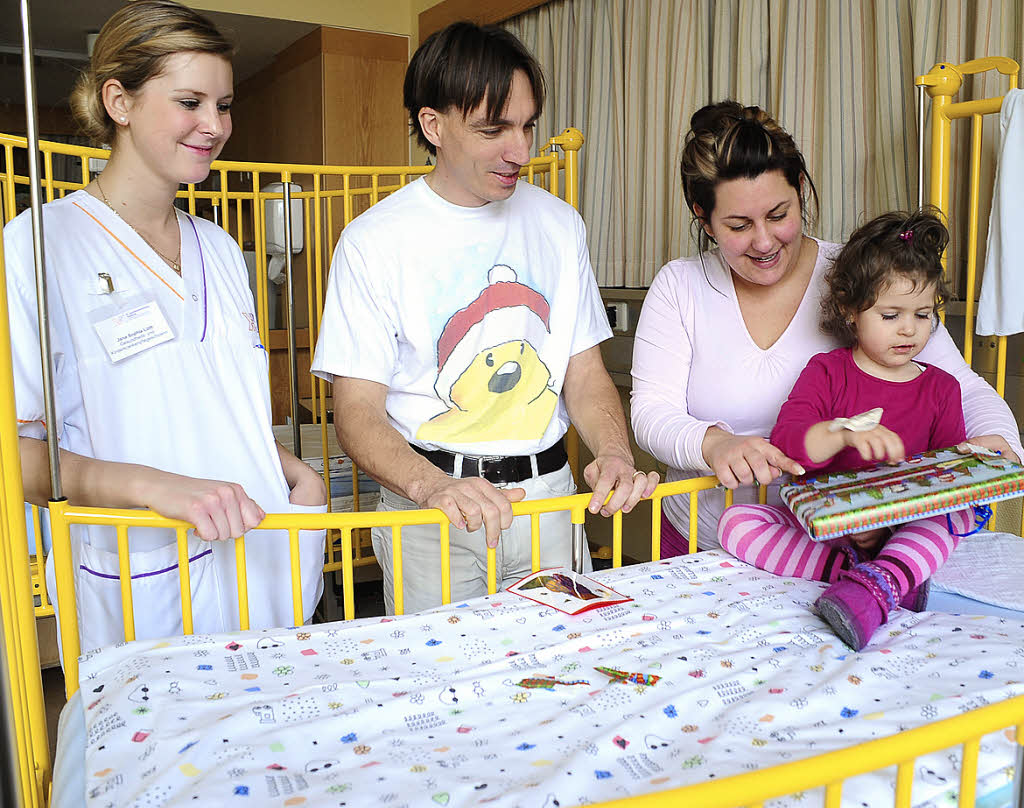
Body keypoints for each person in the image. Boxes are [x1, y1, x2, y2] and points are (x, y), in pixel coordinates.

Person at [7, 0, 327, 655]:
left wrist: (295, 472)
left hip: (262, 555)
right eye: (190, 102)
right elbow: (19, 457)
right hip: (143, 580)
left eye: (225, 105)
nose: (214, 125)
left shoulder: (218, 249)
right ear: (119, 102)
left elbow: (214, 401)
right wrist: (153, 487)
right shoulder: (37, 247)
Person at [312, 21, 657, 614]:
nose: (520, 151)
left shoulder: (558, 224)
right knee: (441, 682)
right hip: (429, 505)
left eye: (526, 126)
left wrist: (615, 452)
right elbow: (357, 413)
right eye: (493, 129)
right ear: (433, 125)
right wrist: (434, 487)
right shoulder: (374, 241)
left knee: (564, 669)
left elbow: (583, 371)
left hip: (547, 498)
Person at [631, 101, 1022, 555]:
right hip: (703, 538)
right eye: (739, 225)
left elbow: (961, 388)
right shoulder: (681, 286)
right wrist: (713, 443)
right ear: (704, 218)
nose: (763, 242)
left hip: (838, 544)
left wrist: (999, 443)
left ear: (800, 189)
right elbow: (651, 414)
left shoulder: (862, 275)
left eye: (779, 215)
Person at [717, 209, 974, 650]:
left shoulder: (941, 388)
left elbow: (946, 478)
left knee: (956, 515)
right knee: (736, 522)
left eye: (923, 314)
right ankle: (867, 579)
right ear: (850, 310)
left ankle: (884, 575)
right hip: (830, 532)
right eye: (891, 315)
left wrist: (896, 518)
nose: (909, 329)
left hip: (904, 530)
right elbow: (789, 443)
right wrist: (843, 434)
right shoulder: (828, 372)